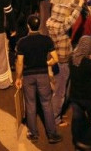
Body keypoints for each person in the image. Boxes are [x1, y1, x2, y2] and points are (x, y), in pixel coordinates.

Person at [15, 14, 62, 144]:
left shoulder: (22, 42)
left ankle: (33, 133)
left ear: (28, 26)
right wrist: (46, 63)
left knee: (30, 104)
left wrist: (18, 77)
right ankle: (52, 134)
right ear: (39, 25)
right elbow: (55, 59)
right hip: (43, 75)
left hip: (29, 76)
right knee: (46, 104)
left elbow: (20, 62)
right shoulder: (46, 40)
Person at [69, 36, 91, 148]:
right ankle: (89, 141)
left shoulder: (72, 59)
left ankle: (76, 140)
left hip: (74, 95)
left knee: (77, 119)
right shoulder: (87, 63)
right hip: (88, 96)